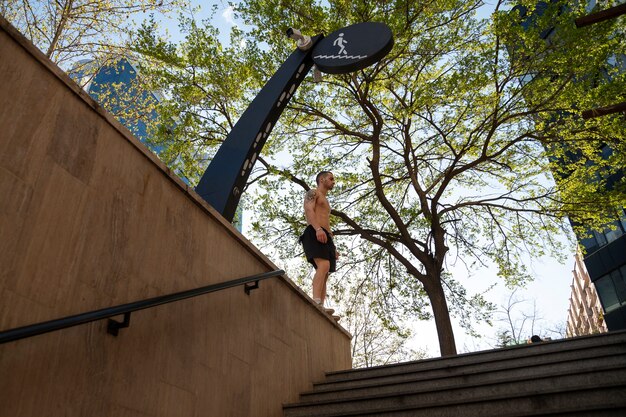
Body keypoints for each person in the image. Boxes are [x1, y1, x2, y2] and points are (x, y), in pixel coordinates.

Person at [299, 171, 339, 313]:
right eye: (331, 178)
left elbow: (327, 223)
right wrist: (317, 229)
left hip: (325, 235)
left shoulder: (326, 201)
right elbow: (308, 209)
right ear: (322, 179)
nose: (333, 181)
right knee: (323, 265)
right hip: (314, 231)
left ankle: (320, 306)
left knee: (326, 271)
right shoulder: (313, 193)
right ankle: (315, 301)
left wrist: (332, 246)